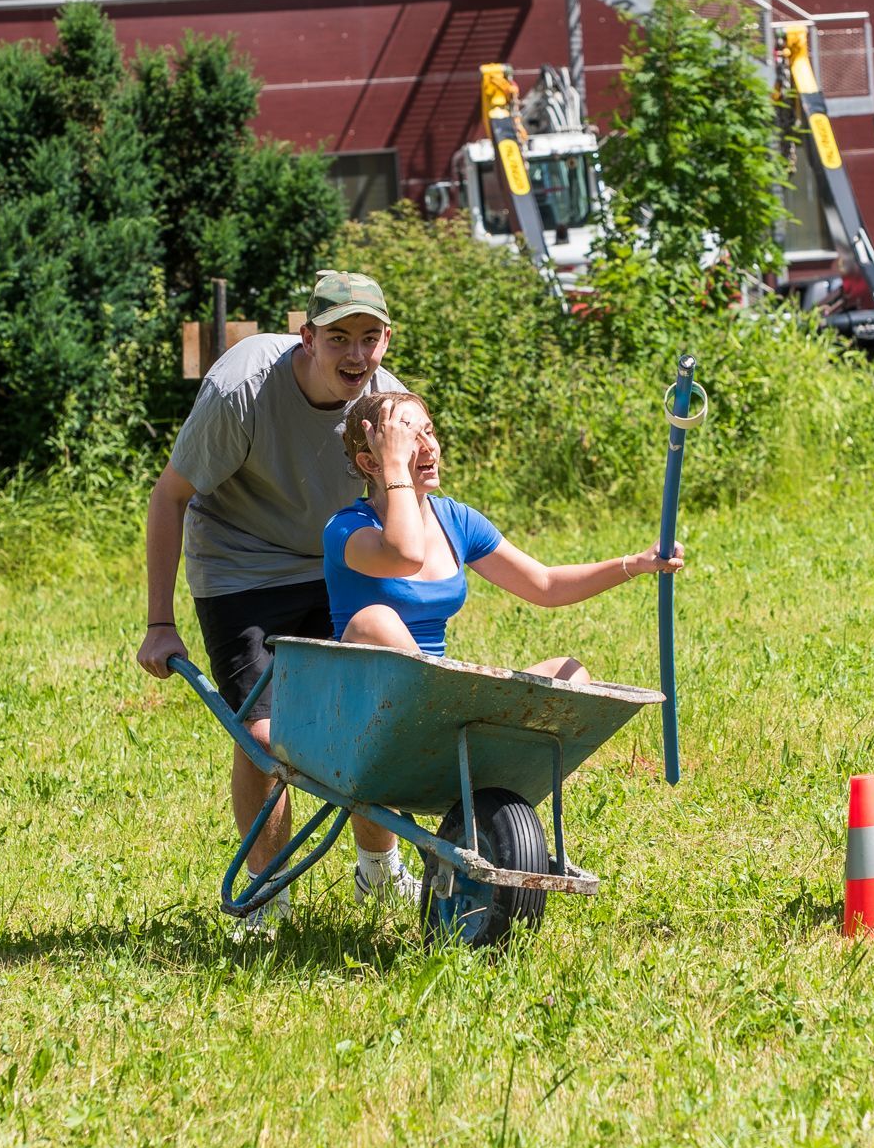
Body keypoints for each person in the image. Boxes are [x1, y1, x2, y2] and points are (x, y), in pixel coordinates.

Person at [136, 270, 413, 929]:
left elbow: (411, 513)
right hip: (242, 567)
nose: (355, 354)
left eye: (369, 338)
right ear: (307, 337)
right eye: (338, 338)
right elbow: (169, 496)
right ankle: (266, 897)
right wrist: (159, 622)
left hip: (336, 561)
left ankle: (379, 871)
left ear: (386, 340)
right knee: (266, 735)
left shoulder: (388, 406)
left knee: (371, 713)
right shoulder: (242, 390)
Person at [323, 390, 682, 684]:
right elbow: (405, 556)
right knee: (374, 620)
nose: (428, 447)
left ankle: (461, 719)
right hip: (368, 705)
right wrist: (395, 467)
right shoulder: (347, 529)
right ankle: (453, 711)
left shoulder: (456, 520)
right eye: (407, 441)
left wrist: (636, 564)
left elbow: (545, 585)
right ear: (371, 462)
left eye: (428, 432)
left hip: (442, 699)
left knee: (569, 672)